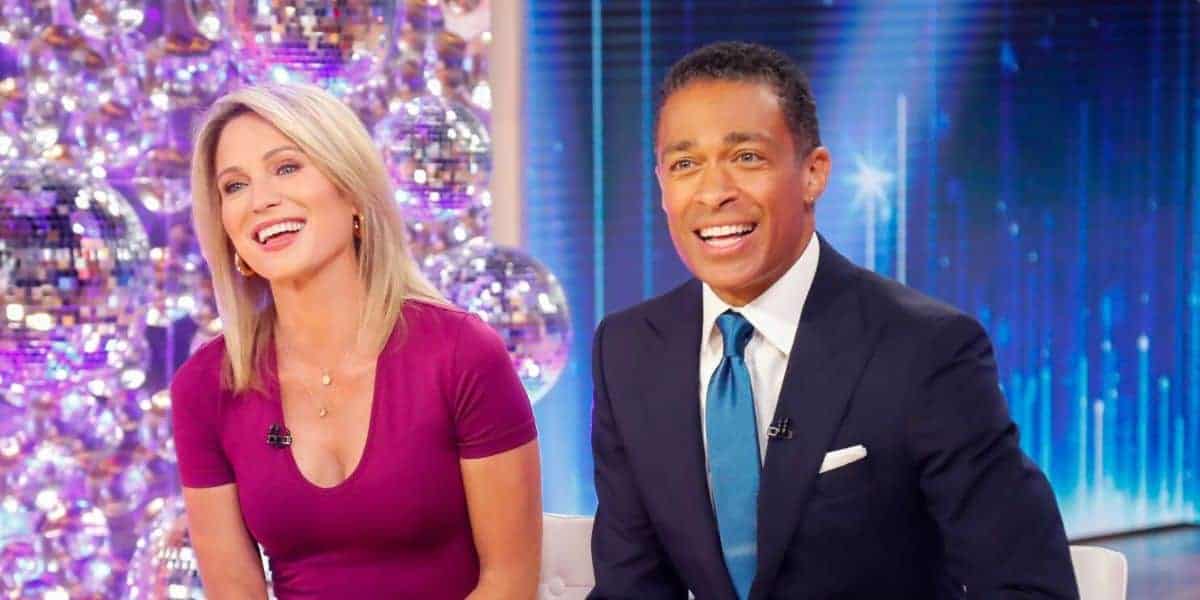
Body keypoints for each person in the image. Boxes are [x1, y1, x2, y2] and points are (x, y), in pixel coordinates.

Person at [588, 41, 1078, 599]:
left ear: (814, 173)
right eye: (685, 164)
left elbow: (1026, 587)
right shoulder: (627, 350)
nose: (714, 191)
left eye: (746, 157)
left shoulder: (926, 349)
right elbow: (631, 587)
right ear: (662, 186)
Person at [171, 82, 541, 599]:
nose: (261, 200)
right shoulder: (207, 386)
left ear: (353, 194)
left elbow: (510, 581)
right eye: (234, 186)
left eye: (286, 167)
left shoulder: (461, 353)